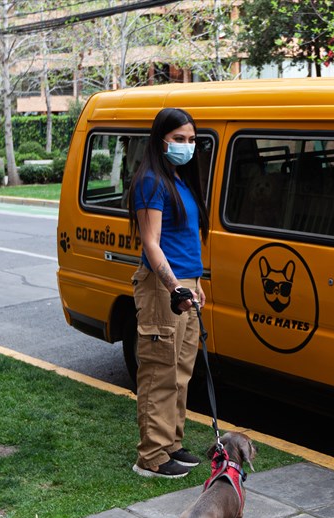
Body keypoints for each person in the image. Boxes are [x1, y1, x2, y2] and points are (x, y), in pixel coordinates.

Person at [128, 107, 209, 478]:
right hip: (164, 288)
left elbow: (186, 239)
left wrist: (196, 282)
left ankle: (172, 443)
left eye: (191, 140)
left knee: (180, 371)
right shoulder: (151, 182)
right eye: (179, 139)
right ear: (161, 140)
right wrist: (176, 286)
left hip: (184, 285)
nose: (186, 146)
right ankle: (153, 456)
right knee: (160, 370)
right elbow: (152, 243)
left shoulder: (180, 180)